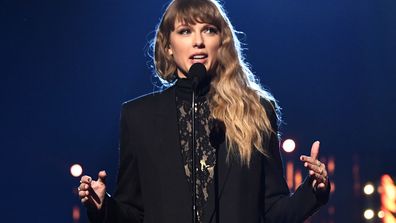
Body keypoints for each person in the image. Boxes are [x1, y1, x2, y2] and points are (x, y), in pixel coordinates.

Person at [77, 0, 330, 222]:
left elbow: (274, 211)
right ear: (167, 45)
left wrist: (313, 191)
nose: (198, 42)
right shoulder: (138, 116)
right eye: (185, 31)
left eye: (208, 30)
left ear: (221, 42)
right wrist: (103, 207)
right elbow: (133, 212)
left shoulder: (256, 110)